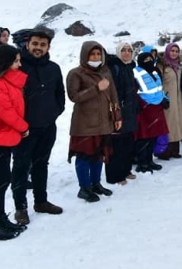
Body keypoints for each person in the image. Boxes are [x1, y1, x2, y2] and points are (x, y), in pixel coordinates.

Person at [10, 29, 65, 225]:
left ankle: (41, 202)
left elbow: (60, 94)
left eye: (42, 45)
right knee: (21, 167)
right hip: (23, 129)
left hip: (48, 127)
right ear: (27, 44)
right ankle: (20, 208)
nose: (38, 48)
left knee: (41, 165)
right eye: (35, 44)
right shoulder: (17, 67)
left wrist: (54, 112)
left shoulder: (54, 68)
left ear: (48, 47)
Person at [66, 41, 120, 202]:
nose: (96, 57)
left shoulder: (105, 72)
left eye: (98, 54)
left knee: (99, 154)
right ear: (85, 55)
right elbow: (74, 96)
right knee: (84, 156)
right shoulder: (76, 73)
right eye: (92, 54)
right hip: (84, 123)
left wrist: (117, 116)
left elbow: (113, 95)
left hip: (104, 121)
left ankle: (96, 183)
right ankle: (84, 187)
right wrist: (96, 88)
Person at [0, 44, 29, 240]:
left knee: (2, 181)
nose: (19, 64)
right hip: (1, 137)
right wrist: (23, 127)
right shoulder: (0, 84)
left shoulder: (8, 81)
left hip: (5, 137)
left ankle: (1, 218)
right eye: (16, 61)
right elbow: (5, 111)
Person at [105, 43, 139, 185]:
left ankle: (126, 170)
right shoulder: (114, 67)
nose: (126, 53)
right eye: (123, 50)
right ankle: (115, 175)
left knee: (127, 143)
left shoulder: (130, 66)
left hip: (130, 110)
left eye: (129, 50)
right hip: (118, 110)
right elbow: (113, 91)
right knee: (116, 145)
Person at [132, 52, 169, 173]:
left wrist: (164, 99)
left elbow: (159, 88)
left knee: (152, 136)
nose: (148, 61)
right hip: (144, 109)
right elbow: (135, 91)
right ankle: (142, 162)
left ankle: (149, 160)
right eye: (145, 59)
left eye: (150, 59)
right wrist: (141, 104)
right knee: (143, 137)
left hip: (156, 108)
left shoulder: (154, 72)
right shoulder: (136, 73)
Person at [158, 43, 182, 158]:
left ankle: (175, 150)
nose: (174, 53)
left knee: (177, 123)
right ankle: (164, 151)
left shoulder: (178, 66)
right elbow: (158, 83)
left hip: (178, 98)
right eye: (172, 51)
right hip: (167, 99)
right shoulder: (162, 66)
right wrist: (162, 97)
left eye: (176, 51)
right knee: (168, 124)